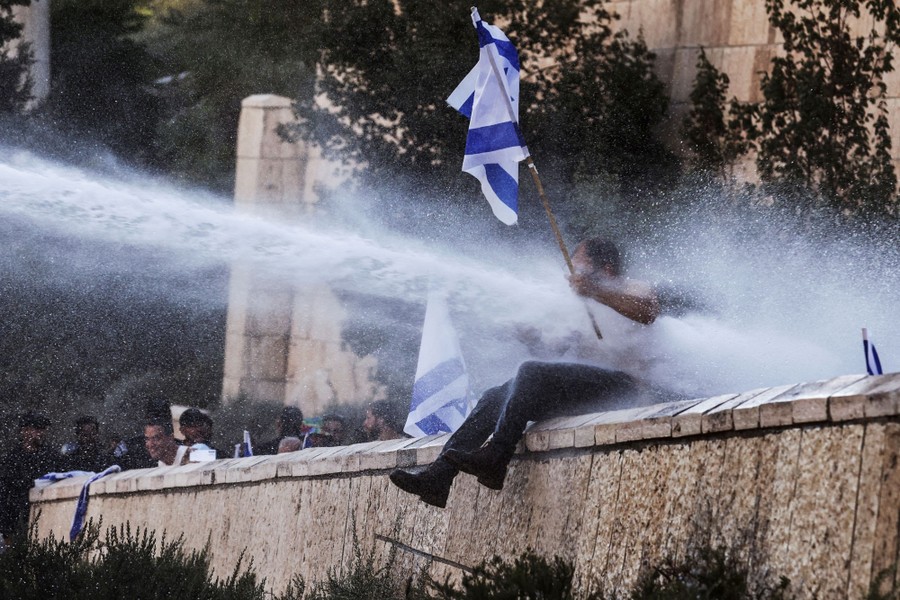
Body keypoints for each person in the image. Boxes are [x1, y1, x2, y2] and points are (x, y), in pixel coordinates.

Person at [390, 237, 676, 508]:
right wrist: (526, 336)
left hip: (624, 388)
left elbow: (647, 312)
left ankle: (495, 458)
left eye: (579, 268)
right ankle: (438, 478)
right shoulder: (582, 305)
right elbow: (552, 357)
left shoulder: (634, 288)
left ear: (607, 269)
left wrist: (594, 291)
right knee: (496, 395)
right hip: (587, 389)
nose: (572, 276)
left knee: (528, 372)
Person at [0, 412, 59, 543]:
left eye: (43, 429)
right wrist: (6, 531)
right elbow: (4, 497)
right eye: (37, 429)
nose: (41, 433)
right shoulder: (11, 460)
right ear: (24, 431)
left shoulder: (52, 457)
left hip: (48, 520)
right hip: (18, 522)